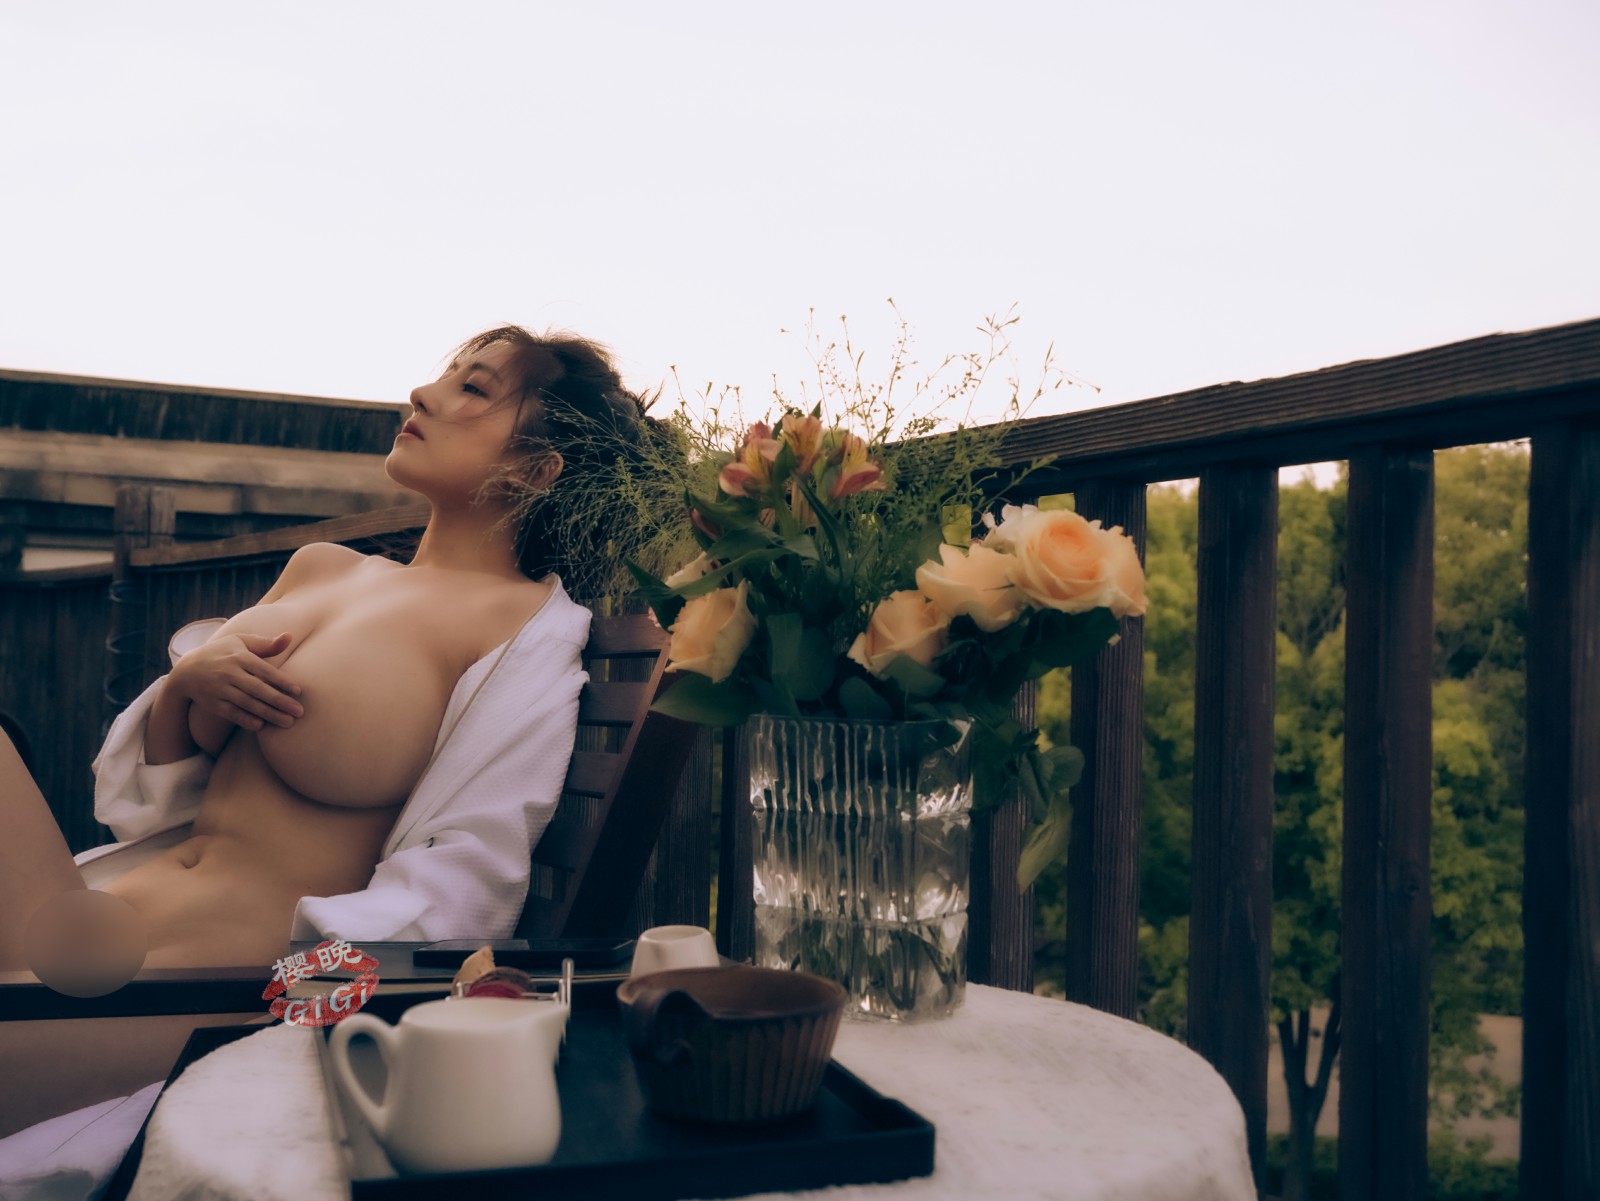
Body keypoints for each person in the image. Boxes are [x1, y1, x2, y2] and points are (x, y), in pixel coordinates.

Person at [0, 325, 662, 978]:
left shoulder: (520, 626)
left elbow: (474, 862)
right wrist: (185, 687)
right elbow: (162, 805)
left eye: (473, 389)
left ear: (535, 469)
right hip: (103, 916)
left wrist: (319, 991)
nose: (422, 394)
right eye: (444, 378)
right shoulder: (320, 567)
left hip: (219, 979)